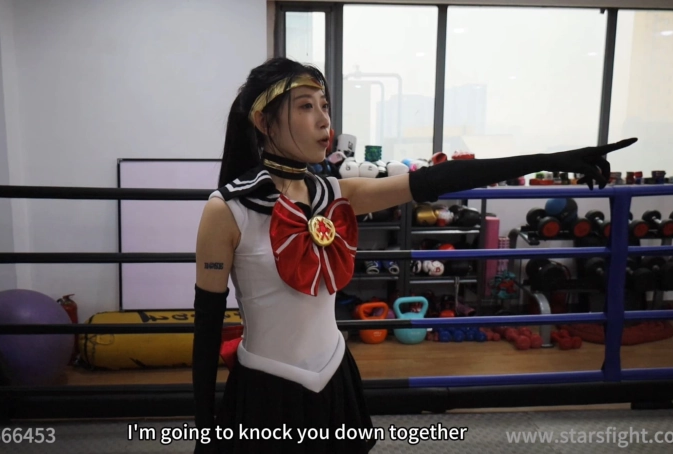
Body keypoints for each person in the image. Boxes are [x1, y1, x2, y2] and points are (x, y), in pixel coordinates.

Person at [192, 57, 636, 453]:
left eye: (324, 105)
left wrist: (552, 158)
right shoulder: (227, 210)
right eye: (306, 106)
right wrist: (204, 424)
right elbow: (207, 325)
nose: (324, 119)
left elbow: (436, 179)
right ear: (264, 121)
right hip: (267, 388)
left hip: (334, 376)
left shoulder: (336, 193)